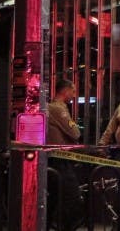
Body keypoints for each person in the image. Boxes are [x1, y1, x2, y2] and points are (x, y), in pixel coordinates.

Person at [47, 79, 83, 229]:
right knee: (72, 197)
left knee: (54, 198)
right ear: (65, 90)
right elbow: (75, 132)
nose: (74, 95)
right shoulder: (58, 108)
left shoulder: (51, 107)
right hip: (59, 160)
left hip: (53, 159)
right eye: (73, 91)